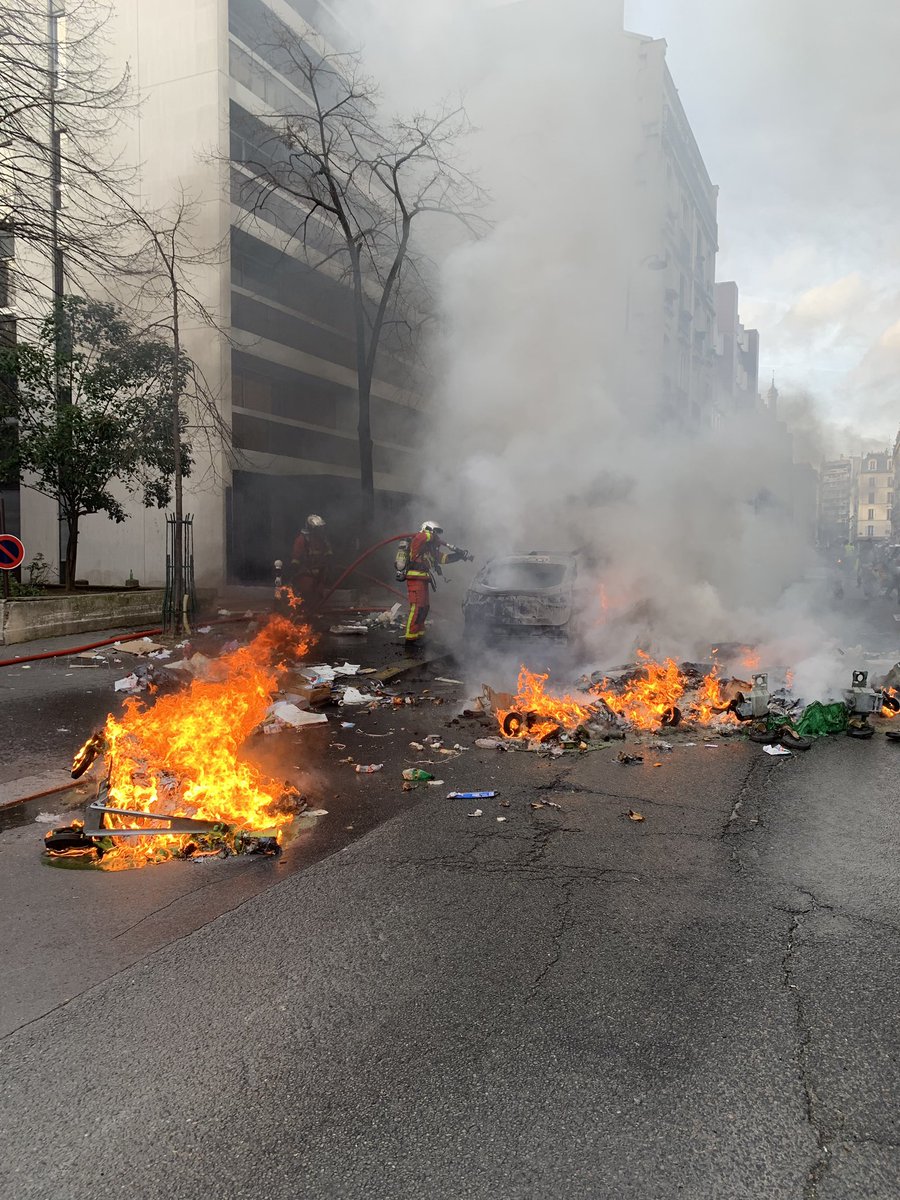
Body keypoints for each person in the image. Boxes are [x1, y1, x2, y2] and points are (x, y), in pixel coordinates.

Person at [401, 521, 471, 643]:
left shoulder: (430, 549)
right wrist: (435, 538)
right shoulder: (418, 540)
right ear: (428, 529)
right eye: (435, 532)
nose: (437, 536)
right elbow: (423, 536)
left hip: (423, 579)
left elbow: (444, 559)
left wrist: (459, 556)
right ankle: (410, 638)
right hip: (415, 579)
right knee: (417, 608)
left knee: (424, 608)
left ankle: (419, 634)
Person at [289, 514, 332, 611]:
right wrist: (296, 571)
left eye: (321, 528)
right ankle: (304, 614)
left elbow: (328, 553)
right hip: (306, 573)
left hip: (320, 573)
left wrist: (327, 566)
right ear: (311, 528)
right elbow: (296, 558)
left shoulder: (323, 540)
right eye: (318, 528)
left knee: (319, 594)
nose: (320, 530)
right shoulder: (302, 540)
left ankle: (315, 613)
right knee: (307, 592)